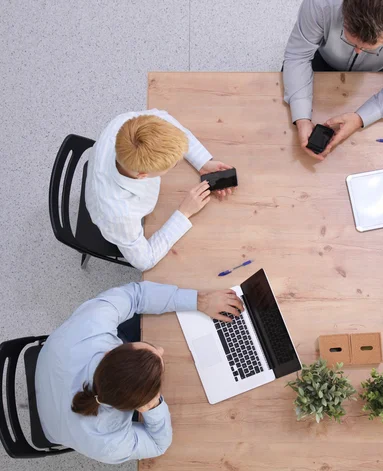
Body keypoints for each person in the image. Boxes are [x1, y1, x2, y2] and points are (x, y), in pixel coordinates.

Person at [35, 281, 244, 464]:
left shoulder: (93, 323)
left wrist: (200, 301)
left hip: (54, 366)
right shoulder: (109, 444)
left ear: (111, 351)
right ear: (139, 406)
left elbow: (135, 294)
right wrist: (153, 408)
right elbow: (158, 445)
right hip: (55, 413)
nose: (162, 350)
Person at [283, 0, 383, 160]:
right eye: (351, 39)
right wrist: (301, 117)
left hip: (381, 68)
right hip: (324, 57)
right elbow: (298, 55)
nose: (358, 51)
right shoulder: (320, 3)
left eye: (369, 47)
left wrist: (361, 118)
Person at [86, 109, 234, 271]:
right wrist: (183, 213)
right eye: (174, 165)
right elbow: (145, 261)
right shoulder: (120, 215)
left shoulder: (124, 125)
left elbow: (164, 119)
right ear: (143, 175)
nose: (178, 162)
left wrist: (203, 162)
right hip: (110, 221)